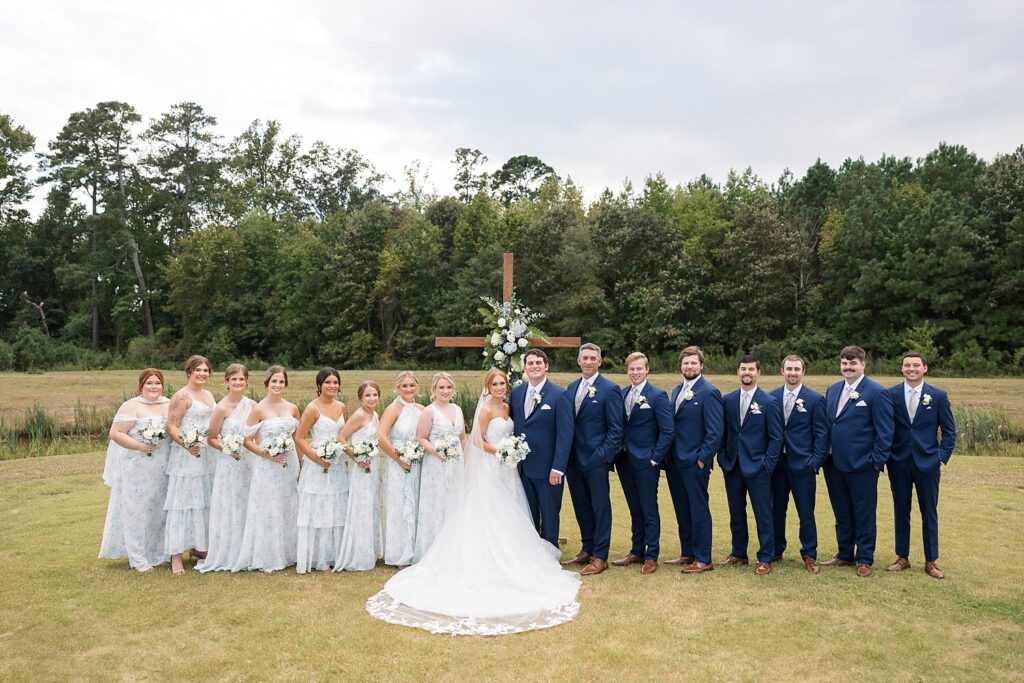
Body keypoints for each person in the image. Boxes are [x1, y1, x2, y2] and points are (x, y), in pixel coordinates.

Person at [366, 369, 581, 636]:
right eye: (495, 383)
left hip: (508, 470)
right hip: (492, 467)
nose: (500, 387)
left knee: (512, 511)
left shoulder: (508, 406)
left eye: (503, 383)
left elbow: (470, 438)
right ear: (487, 387)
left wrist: (511, 451)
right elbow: (478, 442)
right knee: (490, 511)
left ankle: (516, 557)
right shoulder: (486, 410)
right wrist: (502, 451)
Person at [820, 346, 894, 577]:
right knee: (841, 511)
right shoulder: (832, 390)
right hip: (833, 463)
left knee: (863, 512)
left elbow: (885, 431)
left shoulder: (876, 392)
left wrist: (876, 461)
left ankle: (864, 558)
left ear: (863, 365)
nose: (848, 367)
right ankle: (844, 554)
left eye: (853, 363)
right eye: (844, 363)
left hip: (863, 464)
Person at [886, 352, 956, 579]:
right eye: (907, 365)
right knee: (901, 510)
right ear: (902, 368)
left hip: (928, 462)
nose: (911, 368)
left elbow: (949, 432)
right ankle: (902, 557)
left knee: (929, 511)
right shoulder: (891, 394)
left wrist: (940, 457)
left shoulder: (938, 396)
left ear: (925, 368)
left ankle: (931, 560)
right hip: (899, 462)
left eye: (916, 365)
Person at [99, 368, 171, 572]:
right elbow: (116, 433)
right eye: (149, 383)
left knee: (159, 509)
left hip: (163, 465)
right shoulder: (132, 406)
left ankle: (158, 553)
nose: (154, 387)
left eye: (157, 383)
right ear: (141, 385)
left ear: (162, 385)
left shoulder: (168, 404)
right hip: (137, 466)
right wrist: (141, 446)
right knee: (137, 511)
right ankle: (138, 557)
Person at [562, 343, 624, 576]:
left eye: (592, 358)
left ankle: (600, 556)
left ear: (599, 361)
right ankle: (587, 549)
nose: (588, 362)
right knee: (581, 506)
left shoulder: (610, 389)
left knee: (600, 507)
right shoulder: (571, 387)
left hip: (596, 459)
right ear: (578, 361)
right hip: (573, 461)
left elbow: (617, 429)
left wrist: (603, 456)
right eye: (584, 358)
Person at [232, 365, 300, 573]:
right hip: (267, 466)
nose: (278, 385)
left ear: (285, 384)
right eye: (274, 381)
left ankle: (291, 553)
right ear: (267, 384)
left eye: (281, 381)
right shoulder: (259, 409)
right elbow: (246, 440)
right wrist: (266, 453)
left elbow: (298, 439)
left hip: (290, 464)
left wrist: (303, 465)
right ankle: (268, 555)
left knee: (289, 504)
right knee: (269, 507)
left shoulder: (292, 408)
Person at [720, 355, 782, 575]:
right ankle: (738, 552)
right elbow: (724, 432)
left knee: (763, 513)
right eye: (743, 369)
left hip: (759, 468)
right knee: (736, 512)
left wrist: (767, 465)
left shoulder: (769, 402)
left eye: (751, 369)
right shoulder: (727, 400)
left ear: (759, 373)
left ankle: (765, 556)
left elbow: (776, 438)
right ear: (737, 371)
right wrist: (722, 457)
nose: (747, 373)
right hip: (733, 465)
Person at [612, 352, 674, 574]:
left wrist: (655, 458)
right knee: (634, 506)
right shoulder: (621, 393)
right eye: (631, 369)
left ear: (647, 369)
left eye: (639, 368)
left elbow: (667, 431)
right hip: (625, 460)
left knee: (648, 507)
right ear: (627, 371)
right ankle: (636, 550)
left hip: (647, 461)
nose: (635, 372)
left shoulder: (657, 396)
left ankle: (651, 554)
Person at [665, 345, 723, 574]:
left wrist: (702, 459)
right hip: (674, 462)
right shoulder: (676, 390)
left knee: (698, 510)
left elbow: (715, 431)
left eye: (693, 363)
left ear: (701, 366)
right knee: (682, 509)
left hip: (694, 462)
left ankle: (703, 558)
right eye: (685, 363)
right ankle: (687, 552)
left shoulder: (709, 392)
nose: (689, 366)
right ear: (681, 366)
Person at [769, 355, 828, 574]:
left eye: (797, 369)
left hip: (803, 463)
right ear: (781, 371)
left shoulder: (814, 399)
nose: (792, 373)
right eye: (789, 369)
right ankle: (776, 548)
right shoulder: (771, 397)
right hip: (776, 464)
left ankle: (809, 554)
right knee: (775, 508)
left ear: (803, 372)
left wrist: (814, 462)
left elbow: (821, 434)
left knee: (805, 511)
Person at [508, 349, 572, 550]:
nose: (534, 366)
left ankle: (550, 551)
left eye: (538, 362)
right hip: (523, 467)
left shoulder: (560, 395)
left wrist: (559, 467)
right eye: (530, 363)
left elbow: (565, 435)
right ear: (525, 367)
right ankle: (532, 551)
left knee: (550, 512)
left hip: (548, 468)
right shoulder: (517, 393)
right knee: (528, 511)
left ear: (546, 366)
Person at [197, 364, 255, 572]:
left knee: (249, 502)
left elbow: (255, 435)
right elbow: (211, 438)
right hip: (229, 462)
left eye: (241, 379)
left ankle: (250, 549)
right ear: (226, 382)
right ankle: (230, 551)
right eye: (234, 379)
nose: (238, 383)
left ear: (246, 382)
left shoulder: (253, 405)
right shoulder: (221, 408)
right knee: (232, 503)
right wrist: (227, 449)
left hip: (249, 461)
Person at [164, 355, 216, 575]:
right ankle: (175, 555)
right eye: (198, 370)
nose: (202, 373)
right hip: (187, 454)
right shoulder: (181, 395)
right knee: (183, 501)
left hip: (207, 454)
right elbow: (172, 426)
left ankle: (197, 547)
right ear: (189, 372)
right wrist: (188, 444)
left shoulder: (208, 394)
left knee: (202, 499)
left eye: (206, 370)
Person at [293, 368, 348, 573]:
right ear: (319, 385)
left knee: (337, 505)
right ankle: (319, 557)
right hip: (318, 464)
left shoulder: (342, 407)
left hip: (338, 464)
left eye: (335, 382)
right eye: (327, 383)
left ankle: (336, 554)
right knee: (320, 507)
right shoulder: (312, 408)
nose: (332, 386)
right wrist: (316, 458)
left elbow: (343, 434)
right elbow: (299, 437)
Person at [414, 372, 467, 562]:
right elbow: (421, 438)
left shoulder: (458, 409)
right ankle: (432, 550)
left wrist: (466, 461)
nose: (445, 391)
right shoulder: (429, 411)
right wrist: (437, 452)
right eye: (441, 388)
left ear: (453, 389)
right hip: (436, 463)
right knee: (437, 502)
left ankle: (454, 548)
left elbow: (462, 438)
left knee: (455, 501)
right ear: (434, 390)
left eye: (449, 387)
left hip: (456, 463)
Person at [335, 381, 383, 571]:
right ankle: (358, 555)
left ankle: (370, 551)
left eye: (374, 395)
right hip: (361, 468)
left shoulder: (375, 414)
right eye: (367, 396)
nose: (371, 399)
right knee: (361, 507)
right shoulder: (360, 415)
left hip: (373, 466)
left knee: (371, 505)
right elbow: (341, 438)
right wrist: (356, 457)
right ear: (360, 398)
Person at [378, 371, 424, 568]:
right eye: (404, 386)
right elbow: (381, 436)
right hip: (397, 463)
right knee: (399, 504)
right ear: (398, 388)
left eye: (412, 385)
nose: (408, 389)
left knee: (415, 504)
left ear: (417, 387)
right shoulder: (393, 408)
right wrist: (399, 459)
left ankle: (415, 550)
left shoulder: (421, 409)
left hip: (417, 463)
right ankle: (399, 553)